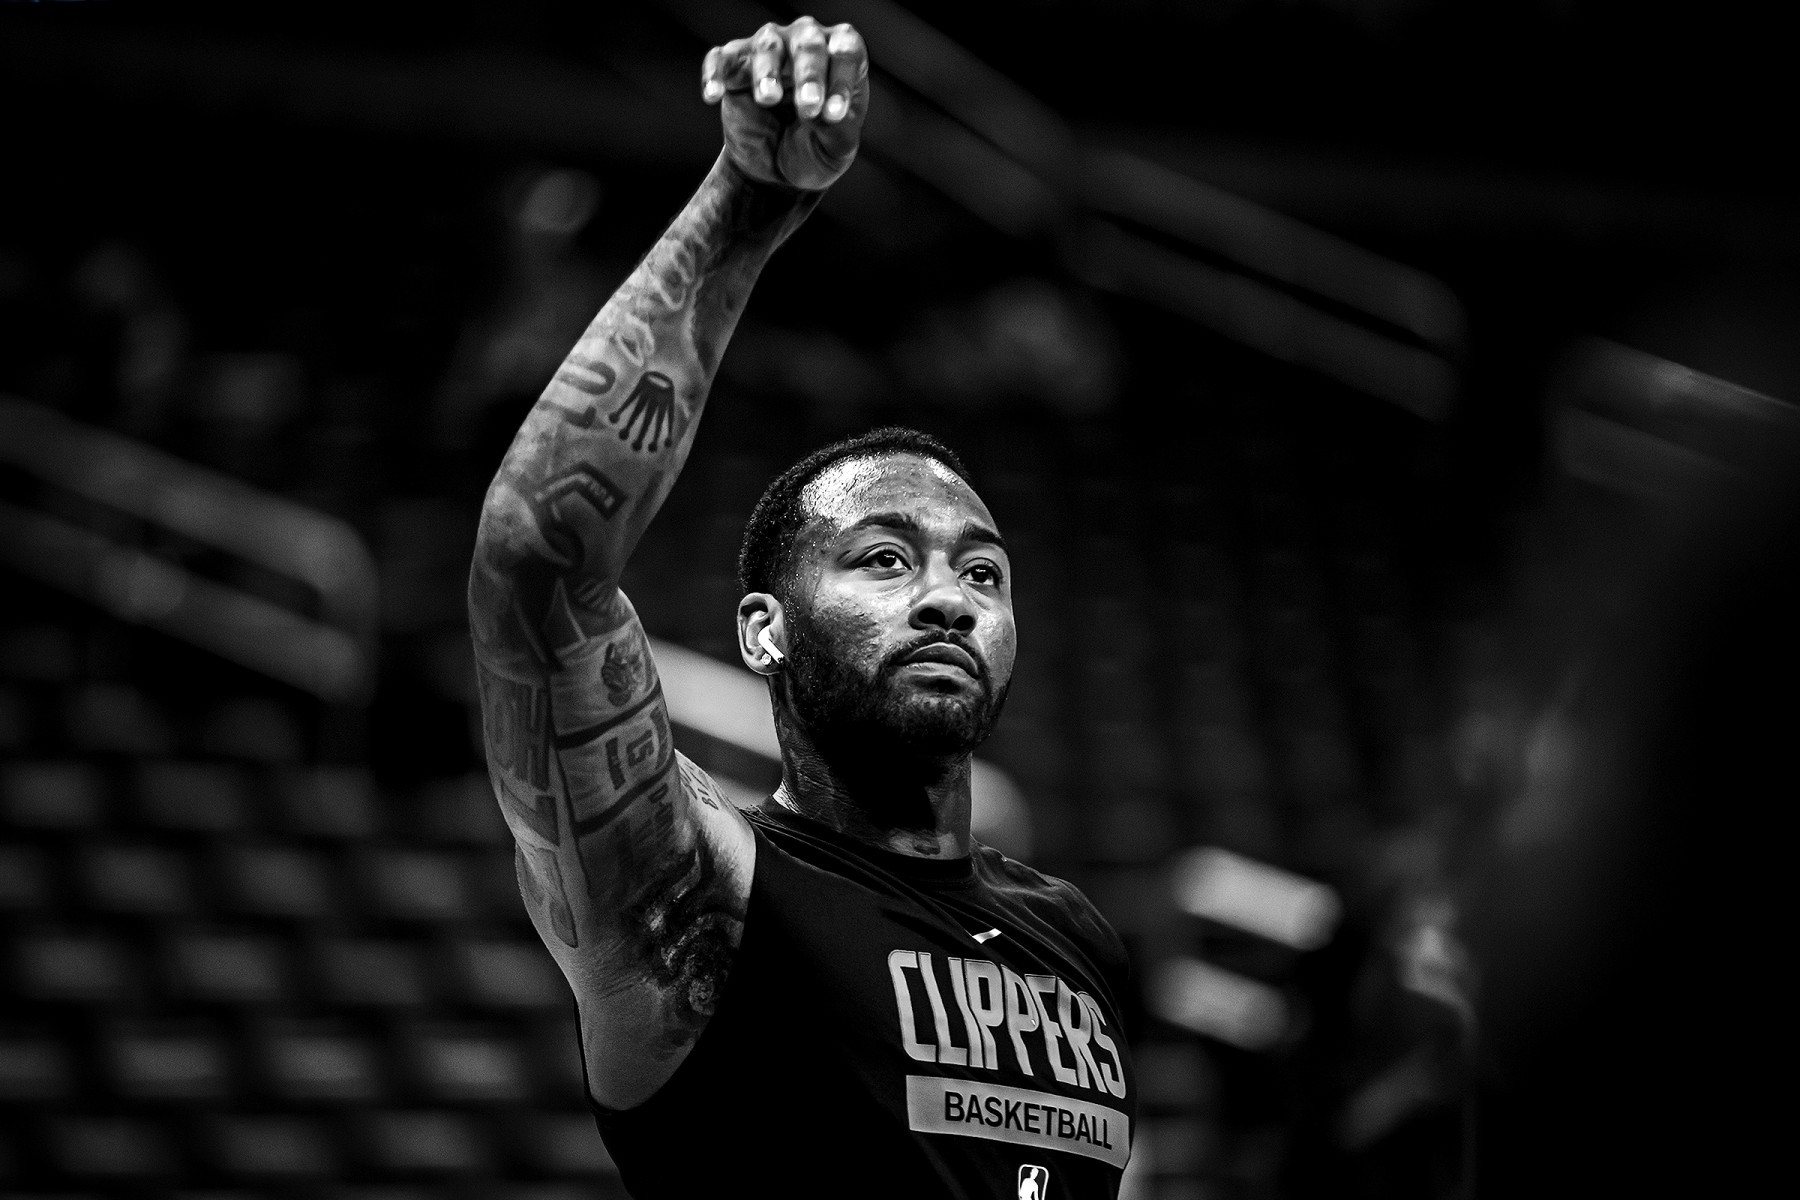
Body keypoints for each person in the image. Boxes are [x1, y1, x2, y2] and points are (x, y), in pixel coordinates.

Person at [468, 17, 1135, 1198]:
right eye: (883, 559)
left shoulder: (1074, 936)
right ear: (763, 630)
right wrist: (746, 203)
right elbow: (538, 563)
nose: (948, 597)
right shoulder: (699, 896)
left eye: (983, 573)